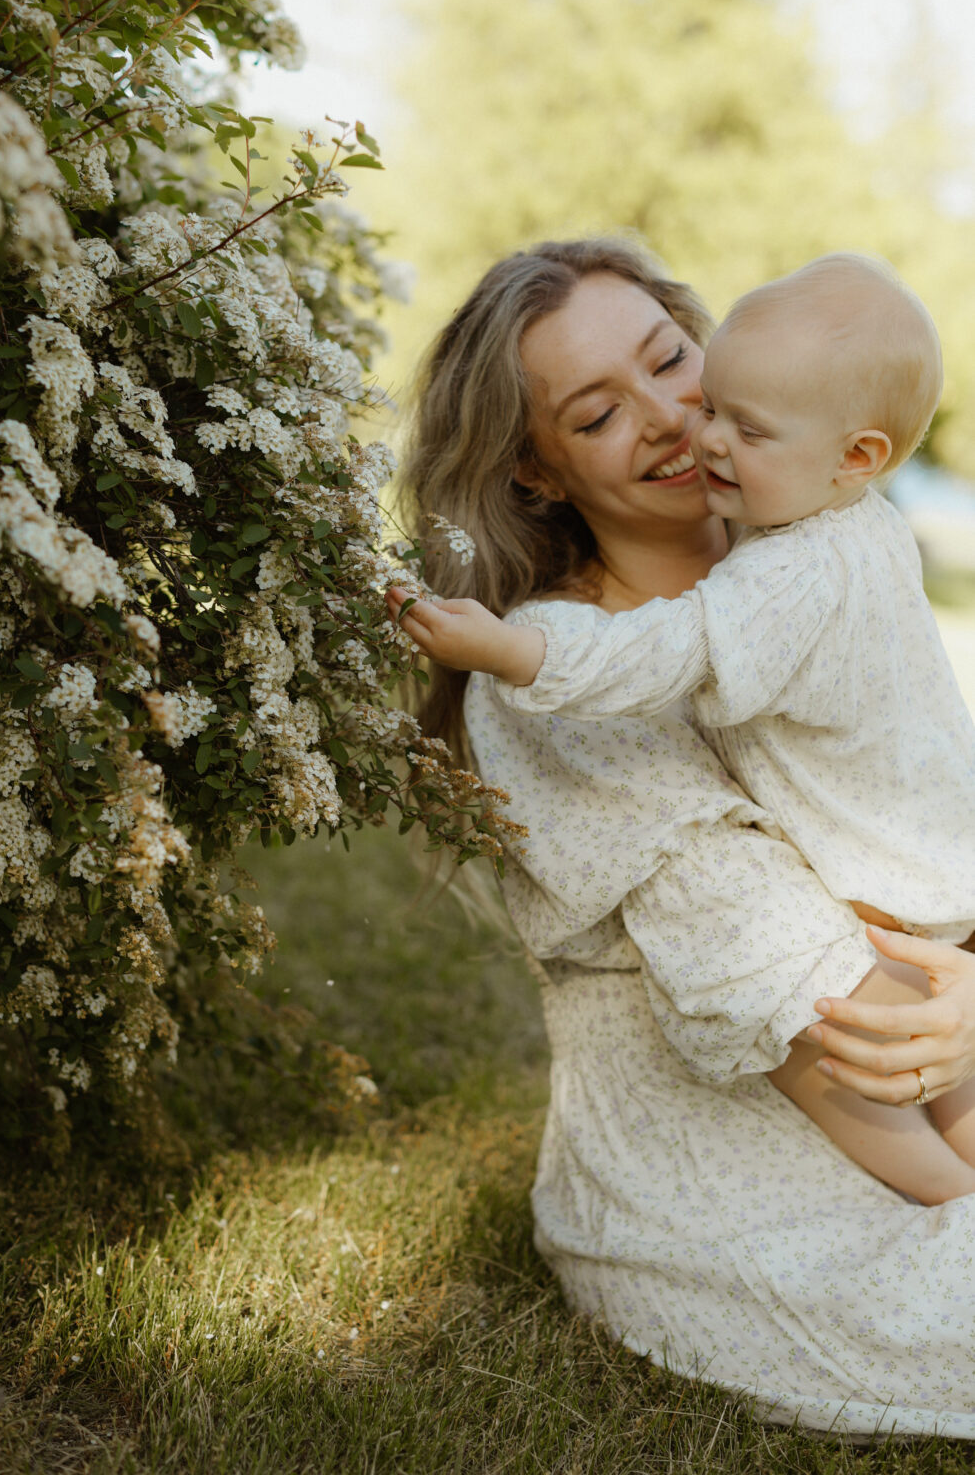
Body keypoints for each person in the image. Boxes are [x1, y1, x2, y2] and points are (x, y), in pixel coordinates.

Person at [391, 236, 975, 1437]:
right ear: (537, 471)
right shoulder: (550, 685)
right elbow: (808, 1004)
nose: (669, 419)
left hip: (929, 1059)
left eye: (672, 359)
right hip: (760, 1161)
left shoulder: (814, 553)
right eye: (600, 412)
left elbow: (919, 812)